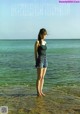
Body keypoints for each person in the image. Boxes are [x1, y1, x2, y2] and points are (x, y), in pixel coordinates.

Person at [34, 28, 48, 97]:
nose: (44, 36)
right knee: (39, 77)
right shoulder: (37, 42)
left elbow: (45, 52)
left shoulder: (45, 42)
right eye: (43, 35)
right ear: (40, 34)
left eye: (45, 35)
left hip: (45, 59)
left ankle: (41, 91)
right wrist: (36, 61)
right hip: (40, 59)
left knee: (42, 77)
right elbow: (35, 53)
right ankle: (38, 92)